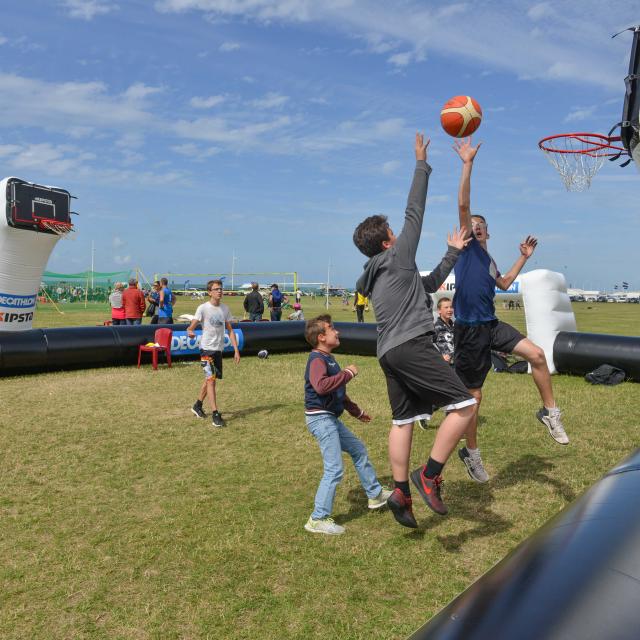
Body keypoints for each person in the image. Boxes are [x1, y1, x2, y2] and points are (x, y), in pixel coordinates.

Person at [353, 132, 476, 528]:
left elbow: (428, 283)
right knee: (464, 405)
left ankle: (401, 492)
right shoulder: (398, 254)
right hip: (410, 344)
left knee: (402, 421)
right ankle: (430, 474)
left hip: (387, 353)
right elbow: (415, 210)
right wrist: (421, 162)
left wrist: (454, 251)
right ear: (389, 241)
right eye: (395, 233)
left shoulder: (380, 274)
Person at [452, 137, 569, 485]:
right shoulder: (467, 251)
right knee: (474, 398)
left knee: (537, 355)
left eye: (478, 226)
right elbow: (463, 202)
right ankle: (471, 453)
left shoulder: (487, 259)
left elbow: (503, 284)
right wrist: (467, 164)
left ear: (487, 231)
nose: (473, 228)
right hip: (469, 331)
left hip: (491, 324)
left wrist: (524, 258)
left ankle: (550, 413)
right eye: (469, 225)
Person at [303, 314, 392, 535]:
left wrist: (356, 411)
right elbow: (322, 386)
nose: (337, 331)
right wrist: (348, 373)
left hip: (330, 418)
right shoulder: (317, 359)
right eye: (332, 328)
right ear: (322, 337)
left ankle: (375, 494)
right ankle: (318, 518)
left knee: (358, 449)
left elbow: (338, 393)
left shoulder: (330, 359)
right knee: (334, 469)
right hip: (321, 419)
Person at [187, 279, 240, 428]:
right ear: (209, 292)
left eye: (221, 289)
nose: (220, 291)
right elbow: (191, 327)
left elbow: (230, 330)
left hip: (218, 349)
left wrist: (236, 350)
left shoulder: (225, 309)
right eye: (216, 289)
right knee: (211, 380)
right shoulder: (203, 308)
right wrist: (190, 331)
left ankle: (197, 405)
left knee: (209, 378)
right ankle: (216, 414)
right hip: (206, 348)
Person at [433, 297, 455, 365]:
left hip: (455, 364)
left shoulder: (455, 327)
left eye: (451, 307)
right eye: (446, 307)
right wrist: (440, 356)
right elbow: (428, 345)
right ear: (439, 310)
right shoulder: (436, 327)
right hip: (443, 365)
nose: (449, 310)